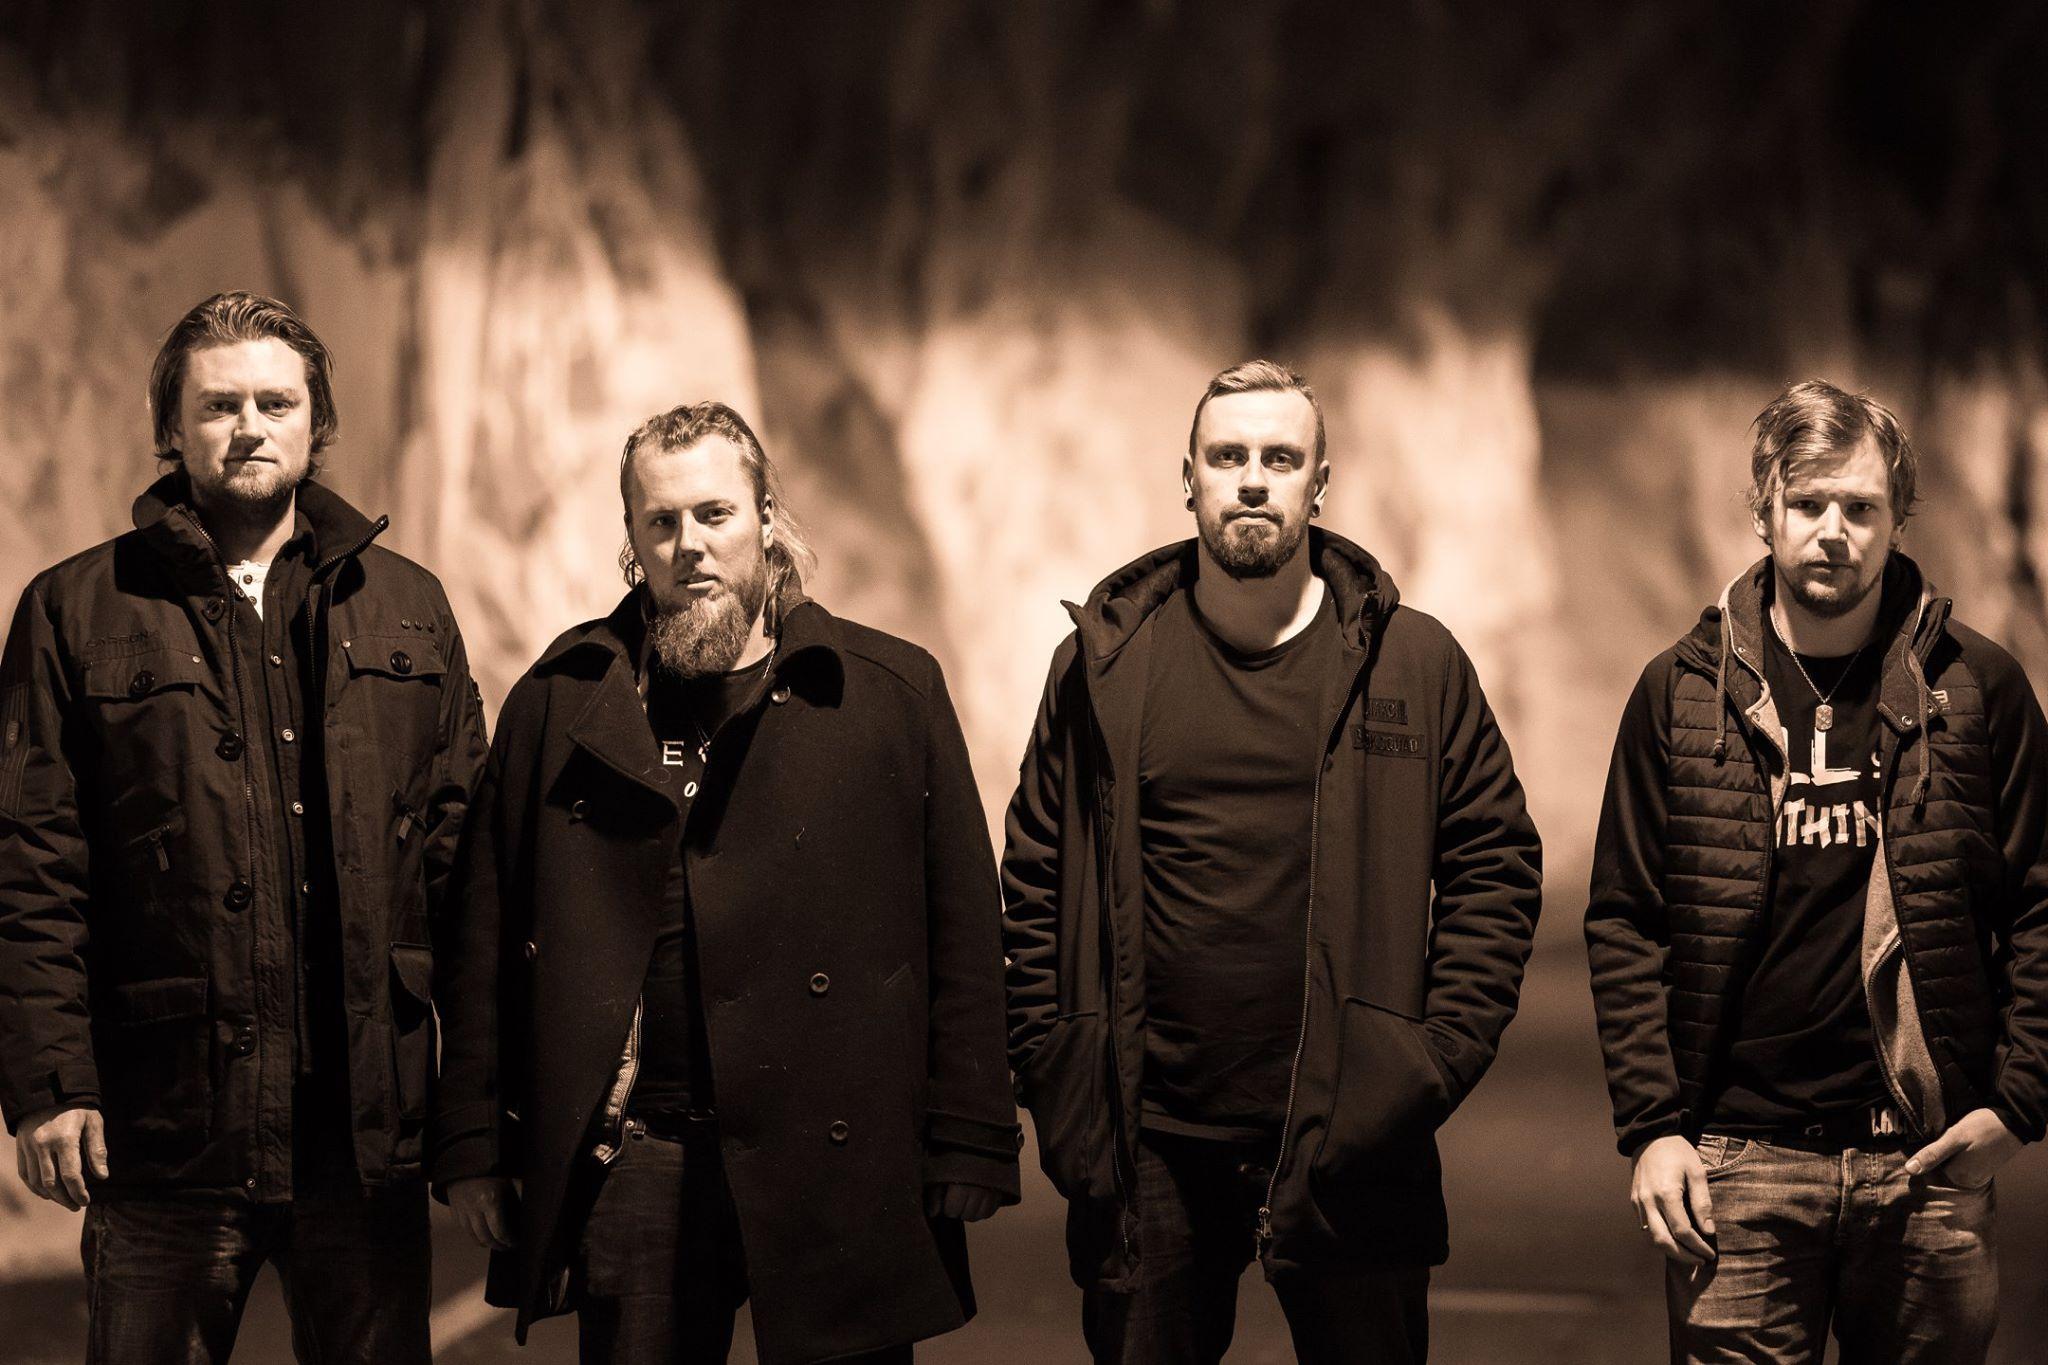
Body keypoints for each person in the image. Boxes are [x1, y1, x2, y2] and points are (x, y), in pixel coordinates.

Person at [432, 401, 1020, 1364]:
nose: (689, 545)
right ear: (632, 541)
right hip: (639, 1151)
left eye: (714, 514)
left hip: (835, 1143)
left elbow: (962, 930)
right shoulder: (563, 699)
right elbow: (484, 935)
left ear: (766, 518)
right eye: (660, 522)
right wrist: (473, 1140)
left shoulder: (886, 692)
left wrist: (973, 1133)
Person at [1001, 359, 1543, 1364]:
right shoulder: (1103, 665)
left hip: (1354, 1140)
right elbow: (1034, 872)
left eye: (1280, 459)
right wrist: (1054, 1060)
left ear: (1319, 484)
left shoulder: (1412, 663)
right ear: (1188, 479)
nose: (1252, 479)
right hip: (1145, 1142)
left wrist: (1422, 1063)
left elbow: (1493, 863)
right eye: (1228, 457)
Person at [0, 291, 488, 1362]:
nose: (250, 427)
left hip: (362, 1136)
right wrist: (51, 1087)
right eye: (219, 405)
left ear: (319, 422)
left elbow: (463, 871)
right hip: (165, 1133)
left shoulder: (409, 608)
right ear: (171, 429)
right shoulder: (73, 609)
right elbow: (32, 865)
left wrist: (482, 1109)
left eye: (276, 402)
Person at [1585, 379, 2048, 1362]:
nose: (1833, 531)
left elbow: (2041, 907)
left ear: (1897, 517)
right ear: (1763, 511)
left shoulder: (1977, 688)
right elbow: (1626, 919)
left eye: (1860, 507)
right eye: (1807, 503)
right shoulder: (1681, 693)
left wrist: (2014, 1105)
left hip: (1926, 1166)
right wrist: (1652, 1129)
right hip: (1736, 1166)